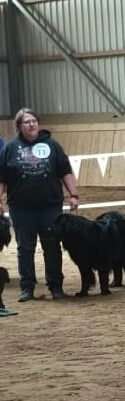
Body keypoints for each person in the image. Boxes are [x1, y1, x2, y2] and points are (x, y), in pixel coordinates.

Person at [0, 108, 79, 302]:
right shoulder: (9, 149)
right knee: (25, 248)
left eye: (34, 120)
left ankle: (56, 286)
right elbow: (2, 177)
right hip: (21, 208)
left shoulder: (53, 145)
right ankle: (27, 287)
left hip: (50, 206)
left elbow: (65, 170)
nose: (32, 124)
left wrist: (73, 194)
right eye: (27, 122)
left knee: (52, 246)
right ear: (19, 126)